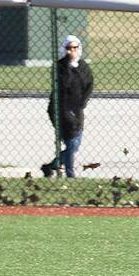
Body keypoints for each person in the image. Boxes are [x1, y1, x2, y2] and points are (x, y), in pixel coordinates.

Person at [41, 34, 93, 177]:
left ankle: (51, 166)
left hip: (77, 109)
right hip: (60, 109)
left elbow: (88, 84)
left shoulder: (83, 66)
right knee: (71, 143)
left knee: (75, 145)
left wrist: (82, 104)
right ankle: (71, 175)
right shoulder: (60, 66)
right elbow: (64, 85)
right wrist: (70, 66)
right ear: (64, 49)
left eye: (75, 47)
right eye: (69, 48)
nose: (72, 51)